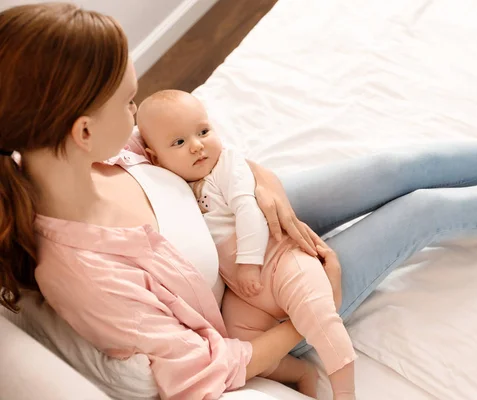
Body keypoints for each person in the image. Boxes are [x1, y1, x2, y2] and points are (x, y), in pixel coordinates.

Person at [1, 3, 477, 400]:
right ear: (81, 130)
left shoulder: (108, 153)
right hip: (261, 305)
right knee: (422, 211)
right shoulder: (86, 272)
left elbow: (204, 156)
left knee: (398, 167)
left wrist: (267, 188)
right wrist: (311, 310)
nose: (139, 111)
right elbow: (201, 370)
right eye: (130, 103)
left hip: (236, 217)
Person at [136, 89, 355, 399]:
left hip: (277, 260)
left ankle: (345, 392)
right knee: (245, 349)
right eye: (180, 142)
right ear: (156, 157)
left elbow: (248, 211)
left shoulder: (226, 165)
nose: (197, 146)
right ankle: (301, 372)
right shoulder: (175, 186)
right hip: (243, 294)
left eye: (203, 131)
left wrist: (249, 264)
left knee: (321, 316)